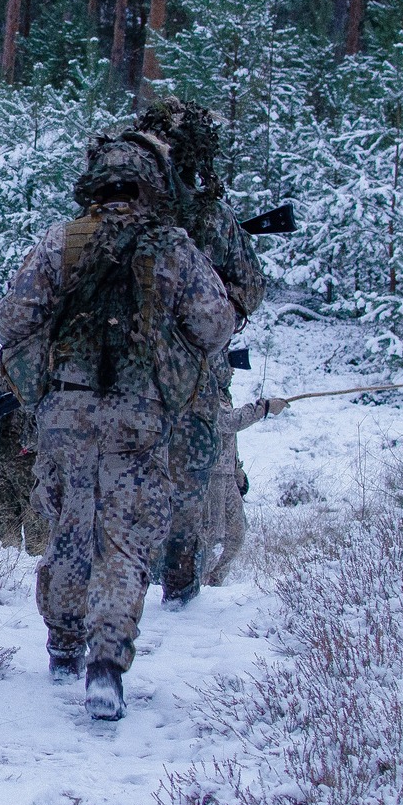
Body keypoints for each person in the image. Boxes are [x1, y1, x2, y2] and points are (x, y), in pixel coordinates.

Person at [0, 137, 233, 722]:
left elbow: (9, 321)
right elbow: (215, 324)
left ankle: (63, 645)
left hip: (68, 412)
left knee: (72, 526)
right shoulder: (173, 246)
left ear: (94, 184)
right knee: (124, 538)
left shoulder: (60, 242)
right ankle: (106, 664)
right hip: (139, 412)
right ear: (149, 186)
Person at [129, 100, 266, 606]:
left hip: (126, 374)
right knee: (187, 482)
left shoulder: (120, 212)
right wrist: (216, 314)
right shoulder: (213, 217)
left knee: (128, 475)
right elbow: (250, 285)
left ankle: (129, 580)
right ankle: (181, 588)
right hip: (196, 376)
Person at [203, 393, 287, 583]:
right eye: (230, 366)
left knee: (236, 532)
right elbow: (226, 422)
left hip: (227, 474)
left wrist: (236, 468)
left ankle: (215, 581)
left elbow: (228, 436)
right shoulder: (205, 387)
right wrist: (263, 408)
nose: (232, 371)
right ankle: (198, 584)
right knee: (211, 536)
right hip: (211, 475)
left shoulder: (224, 393)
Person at [0, 370, 47, 554]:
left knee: (36, 515)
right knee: (0, 513)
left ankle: (37, 559)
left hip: (29, 459)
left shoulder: (39, 365)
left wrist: (33, 442)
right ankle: (4, 564)